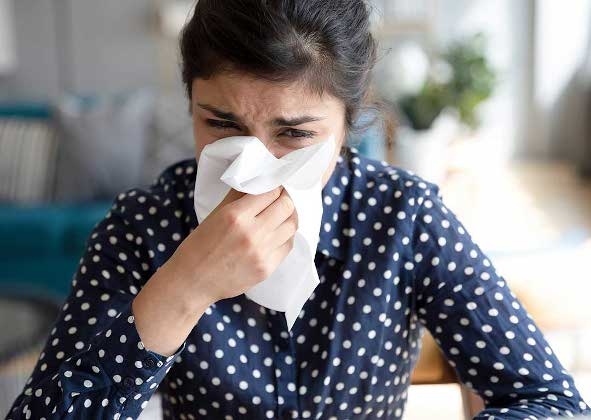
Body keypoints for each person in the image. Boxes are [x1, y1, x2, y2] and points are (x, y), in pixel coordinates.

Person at [7, 0, 590, 419]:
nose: (249, 165)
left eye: (294, 134)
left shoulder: (403, 219)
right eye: (222, 124)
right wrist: (183, 289)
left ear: (347, 126)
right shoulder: (143, 229)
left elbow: (551, 401)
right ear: (189, 104)